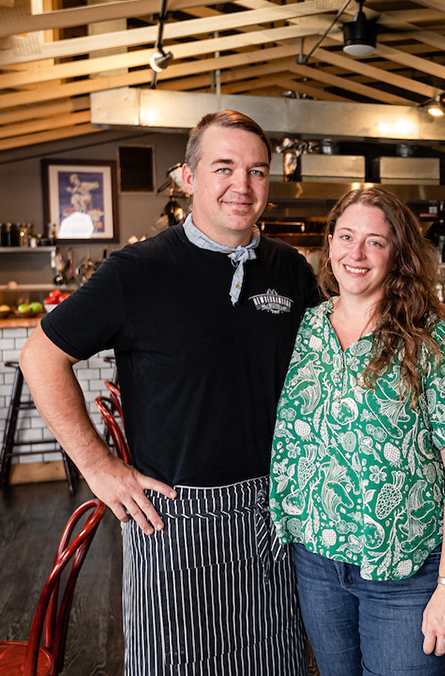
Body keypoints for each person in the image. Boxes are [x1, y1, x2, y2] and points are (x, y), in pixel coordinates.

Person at [19, 110, 320, 676]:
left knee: (276, 664)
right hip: (173, 519)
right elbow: (41, 356)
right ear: (188, 177)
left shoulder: (288, 269)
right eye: (224, 168)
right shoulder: (137, 271)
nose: (243, 186)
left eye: (257, 171)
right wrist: (98, 467)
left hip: (273, 515)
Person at [269, 187, 445, 676]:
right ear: (329, 243)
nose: (357, 253)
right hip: (316, 560)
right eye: (346, 237)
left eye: (376, 242)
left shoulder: (434, 336)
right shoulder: (308, 328)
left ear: (398, 254)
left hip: (404, 569)